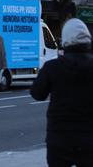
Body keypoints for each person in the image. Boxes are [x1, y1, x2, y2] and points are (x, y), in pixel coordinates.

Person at [31, 18, 93, 167]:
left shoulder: (52, 67)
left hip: (59, 138)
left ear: (64, 42)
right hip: (89, 138)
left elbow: (37, 93)